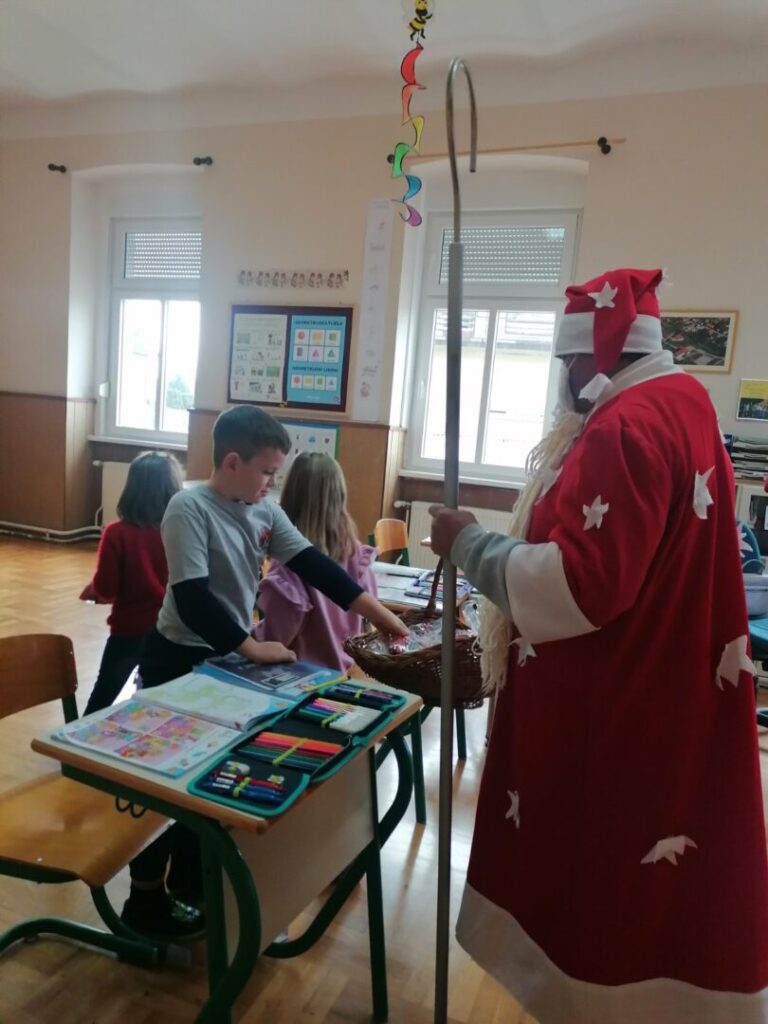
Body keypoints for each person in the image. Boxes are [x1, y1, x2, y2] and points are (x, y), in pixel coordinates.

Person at [430, 268, 768, 1023]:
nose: (561, 381)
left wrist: (469, 545)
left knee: (600, 906)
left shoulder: (624, 427)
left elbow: (580, 587)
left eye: (565, 361)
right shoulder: (684, 401)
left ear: (594, 356)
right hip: (667, 690)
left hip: (617, 710)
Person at [121, 405, 407, 940]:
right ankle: (144, 898)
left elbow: (316, 567)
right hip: (177, 658)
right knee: (164, 777)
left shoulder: (263, 512)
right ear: (233, 462)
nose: (273, 482)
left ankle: (192, 881)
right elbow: (192, 599)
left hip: (223, 658)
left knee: (209, 772)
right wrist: (251, 648)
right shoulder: (188, 507)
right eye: (267, 471)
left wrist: (381, 615)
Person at [254, 451, 376, 672]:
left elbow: (274, 640)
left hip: (297, 678)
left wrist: (247, 638)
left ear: (290, 497)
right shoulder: (357, 555)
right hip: (343, 671)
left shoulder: (289, 568)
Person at [81, 451, 182, 715]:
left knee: (101, 700)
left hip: (128, 632)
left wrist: (94, 589)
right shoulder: (182, 530)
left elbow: (106, 589)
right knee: (161, 705)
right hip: (172, 632)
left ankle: (77, 742)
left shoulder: (116, 533)